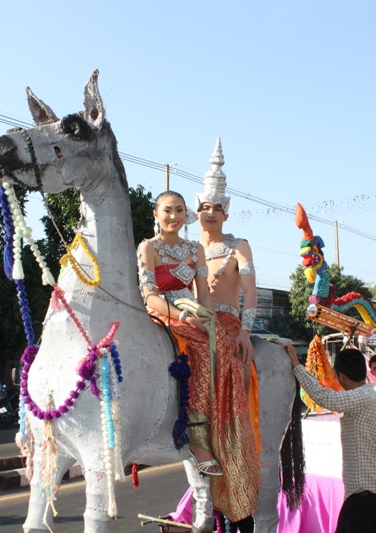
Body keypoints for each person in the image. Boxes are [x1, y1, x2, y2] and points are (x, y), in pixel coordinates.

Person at [193, 138, 262, 529]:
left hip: (226, 326)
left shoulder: (240, 247)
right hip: (189, 321)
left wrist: (246, 332)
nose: (210, 213)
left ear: (226, 212)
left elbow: (250, 292)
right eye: (203, 208)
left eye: (216, 208)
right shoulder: (185, 248)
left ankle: (223, 442)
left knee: (216, 354)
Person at [137, 190, 217, 474]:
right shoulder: (148, 248)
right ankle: (197, 440)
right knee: (198, 352)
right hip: (163, 313)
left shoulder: (196, 249)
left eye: (180, 210)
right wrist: (183, 316)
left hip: (194, 313)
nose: (174, 216)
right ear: (156, 215)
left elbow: (204, 294)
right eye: (167, 210)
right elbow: (149, 296)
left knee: (223, 350)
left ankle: (225, 429)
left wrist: (208, 318)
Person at [284, 343, 376, 533]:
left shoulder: (363, 397)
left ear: (340, 375)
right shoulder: (371, 397)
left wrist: (296, 364)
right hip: (370, 495)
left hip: (366, 496)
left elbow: (324, 397)